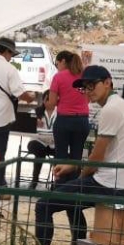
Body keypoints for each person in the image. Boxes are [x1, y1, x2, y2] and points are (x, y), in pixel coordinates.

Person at [34, 65, 124, 245]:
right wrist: (73, 168)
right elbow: (100, 156)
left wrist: (79, 174)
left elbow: (96, 158)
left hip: (110, 182)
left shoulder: (111, 110)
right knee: (72, 201)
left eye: (92, 85)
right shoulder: (119, 106)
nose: (88, 91)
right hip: (119, 179)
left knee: (43, 204)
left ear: (107, 83)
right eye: (84, 87)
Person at [0, 37, 37, 202]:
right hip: (0, 119)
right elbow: (20, 93)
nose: (11, 57)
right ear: (6, 51)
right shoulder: (9, 69)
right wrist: (31, 97)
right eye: (11, 54)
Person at [44, 50, 91, 183]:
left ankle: (60, 189)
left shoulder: (58, 77)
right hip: (82, 121)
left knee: (61, 157)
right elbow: (88, 99)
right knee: (76, 158)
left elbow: (51, 104)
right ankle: (73, 191)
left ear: (64, 61)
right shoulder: (85, 77)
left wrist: (47, 103)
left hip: (64, 121)